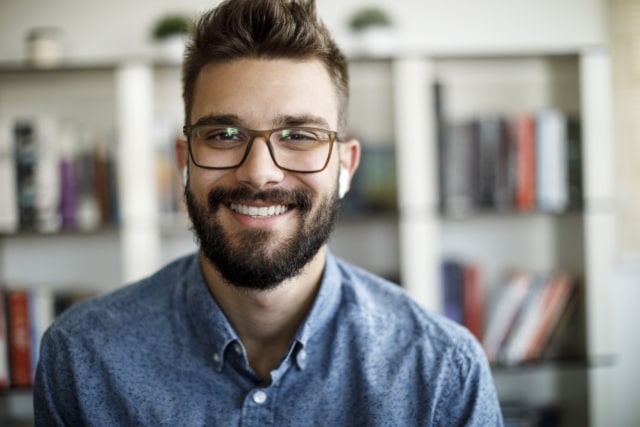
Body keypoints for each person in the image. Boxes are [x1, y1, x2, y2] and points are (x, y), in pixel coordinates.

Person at [34, 0, 504, 425]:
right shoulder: (81, 359)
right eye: (224, 135)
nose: (259, 174)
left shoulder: (442, 371)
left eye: (298, 135)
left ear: (346, 167)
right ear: (185, 161)